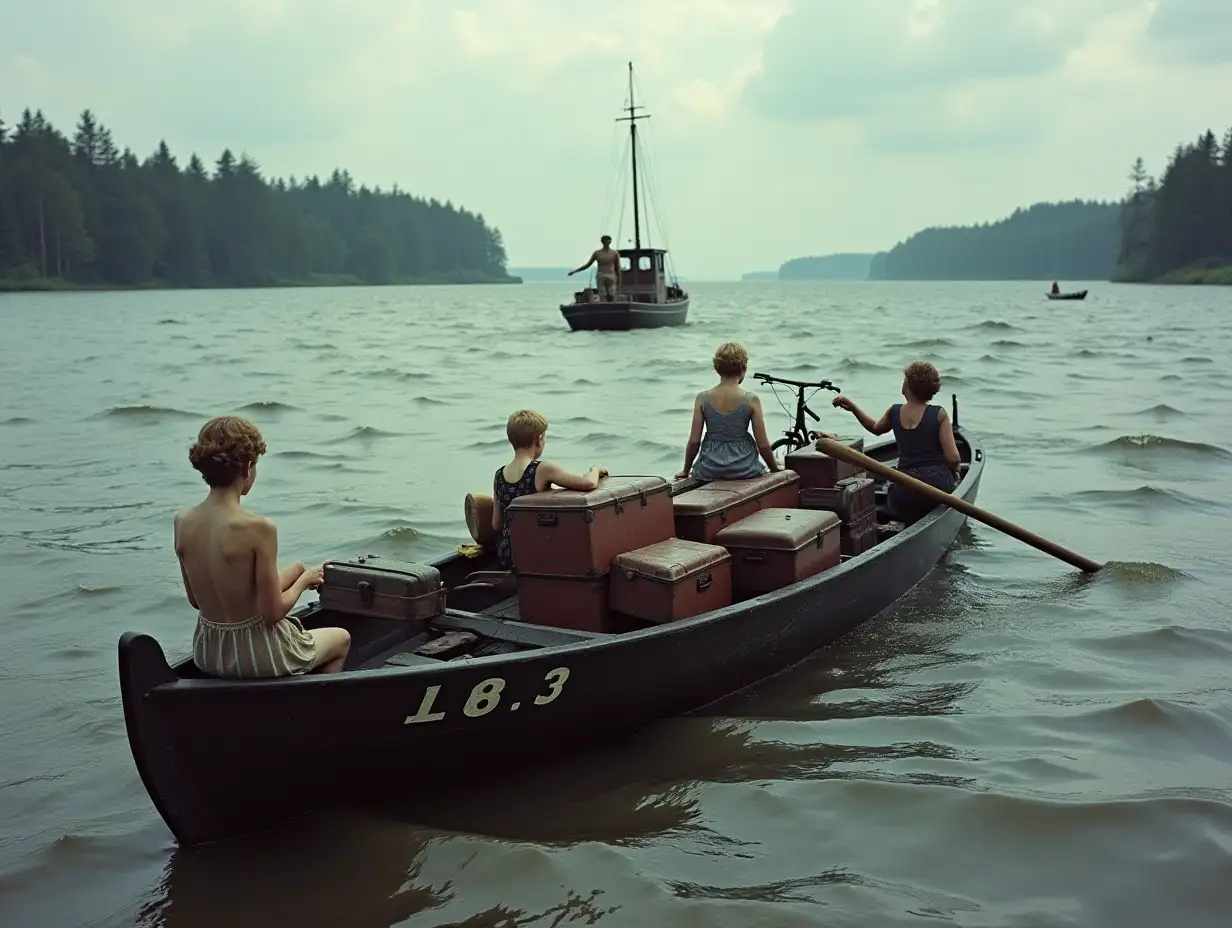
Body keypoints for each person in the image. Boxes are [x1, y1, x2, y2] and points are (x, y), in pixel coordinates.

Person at [174, 416, 351, 678]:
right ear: (247, 468)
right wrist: (302, 582)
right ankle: (315, 710)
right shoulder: (259, 528)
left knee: (294, 569)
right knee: (341, 638)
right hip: (258, 657)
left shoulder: (182, 522)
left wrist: (294, 572)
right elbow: (272, 613)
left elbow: (196, 601)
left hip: (209, 653)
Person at [830, 361, 962, 524]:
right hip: (936, 489)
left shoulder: (894, 411)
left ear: (907, 387)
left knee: (893, 495)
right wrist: (955, 472)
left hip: (903, 492)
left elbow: (874, 428)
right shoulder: (939, 414)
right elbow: (953, 458)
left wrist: (853, 408)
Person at [491, 409, 610, 570]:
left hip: (508, 553)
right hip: (535, 551)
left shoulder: (499, 475)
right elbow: (587, 483)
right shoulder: (541, 469)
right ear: (538, 440)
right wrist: (595, 470)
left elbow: (496, 524)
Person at [676, 342, 779, 481]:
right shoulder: (751, 400)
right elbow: (763, 445)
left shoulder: (702, 398)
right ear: (744, 368)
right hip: (744, 468)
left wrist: (685, 470)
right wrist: (774, 468)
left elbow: (694, 442)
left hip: (709, 469)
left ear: (717, 369)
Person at [568, 235, 621, 301]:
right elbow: (587, 265)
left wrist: (619, 279)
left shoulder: (614, 253)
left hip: (611, 275)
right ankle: (603, 307)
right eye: (605, 241)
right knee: (602, 294)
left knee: (611, 294)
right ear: (602, 242)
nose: (606, 242)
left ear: (610, 242)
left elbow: (617, 267)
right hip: (601, 275)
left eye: (608, 240)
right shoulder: (597, 253)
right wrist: (574, 271)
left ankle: (612, 306)